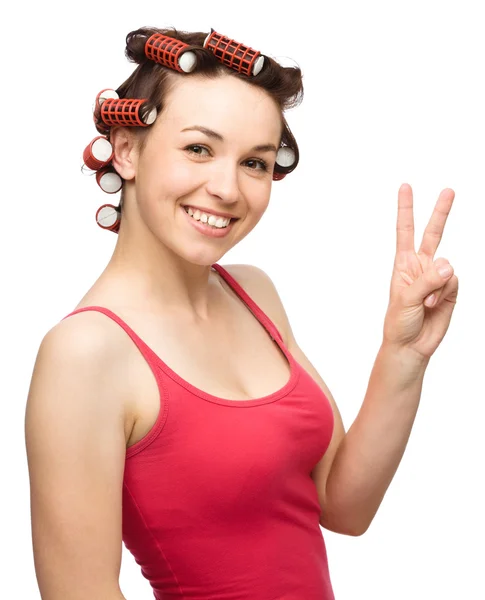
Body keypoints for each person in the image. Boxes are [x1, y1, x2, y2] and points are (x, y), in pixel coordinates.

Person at [24, 26, 459, 600]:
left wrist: (404, 354)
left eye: (255, 163)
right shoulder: (86, 354)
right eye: (199, 149)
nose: (228, 188)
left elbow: (343, 505)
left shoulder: (254, 294)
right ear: (127, 150)